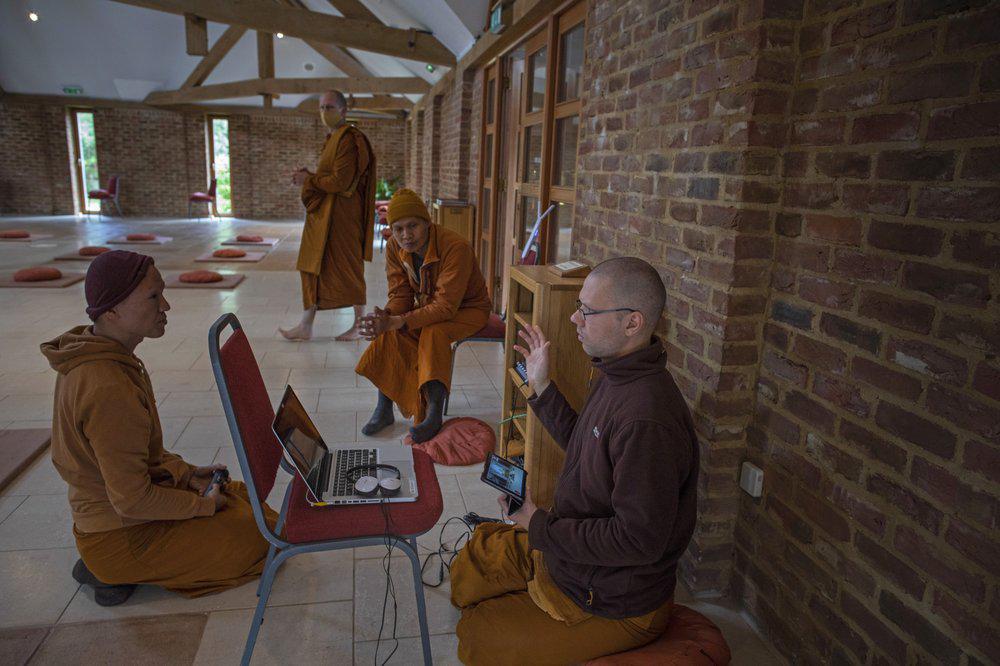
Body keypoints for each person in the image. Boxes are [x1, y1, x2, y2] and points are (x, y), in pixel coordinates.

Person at [449, 257, 699, 664]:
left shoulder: (647, 418)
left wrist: (540, 525)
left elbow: (638, 540)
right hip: (571, 558)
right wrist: (541, 386)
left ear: (632, 323)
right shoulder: (617, 373)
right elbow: (586, 441)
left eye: (586, 310)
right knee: (471, 565)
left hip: (613, 600)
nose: (573, 318)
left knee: (477, 635)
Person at [41, 250, 277, 606]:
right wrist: (200, 507)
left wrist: (186, 474)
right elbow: (131, 499)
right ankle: (111, 569)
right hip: (119, 535)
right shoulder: (107, 386)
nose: (165, 305)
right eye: (153, 297)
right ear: (112, 310)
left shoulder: (102, 353)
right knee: (263, 536)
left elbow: (139, 460)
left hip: (119, 515)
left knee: (243, 498)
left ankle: (112, 564)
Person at [355, 189, 491, 443]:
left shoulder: (455, 247)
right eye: (398, 229)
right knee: (392, 330)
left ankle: (433, 413)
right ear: (392, 231)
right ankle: (384, 409)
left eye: (413, 226)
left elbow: (446, 307)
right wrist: (385, 319)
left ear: (427, 223)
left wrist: (401, 320)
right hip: (432, 305)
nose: (406, 235)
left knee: (434, 331)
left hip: (469, 309)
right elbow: (400, 295)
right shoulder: (395, 248)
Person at [280, 89, 376, 341]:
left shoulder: (349, 139)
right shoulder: (332, 137)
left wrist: (308, 179)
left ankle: (359, 325)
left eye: (329, 108)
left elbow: (341, 182)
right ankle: (306, 325)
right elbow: (328, 178)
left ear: (343, 110)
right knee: (311, 265)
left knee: (348, 268)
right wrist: (309, 176)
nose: (324, 113)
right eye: (321, 108)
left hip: (343, 217)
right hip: (324, 216)